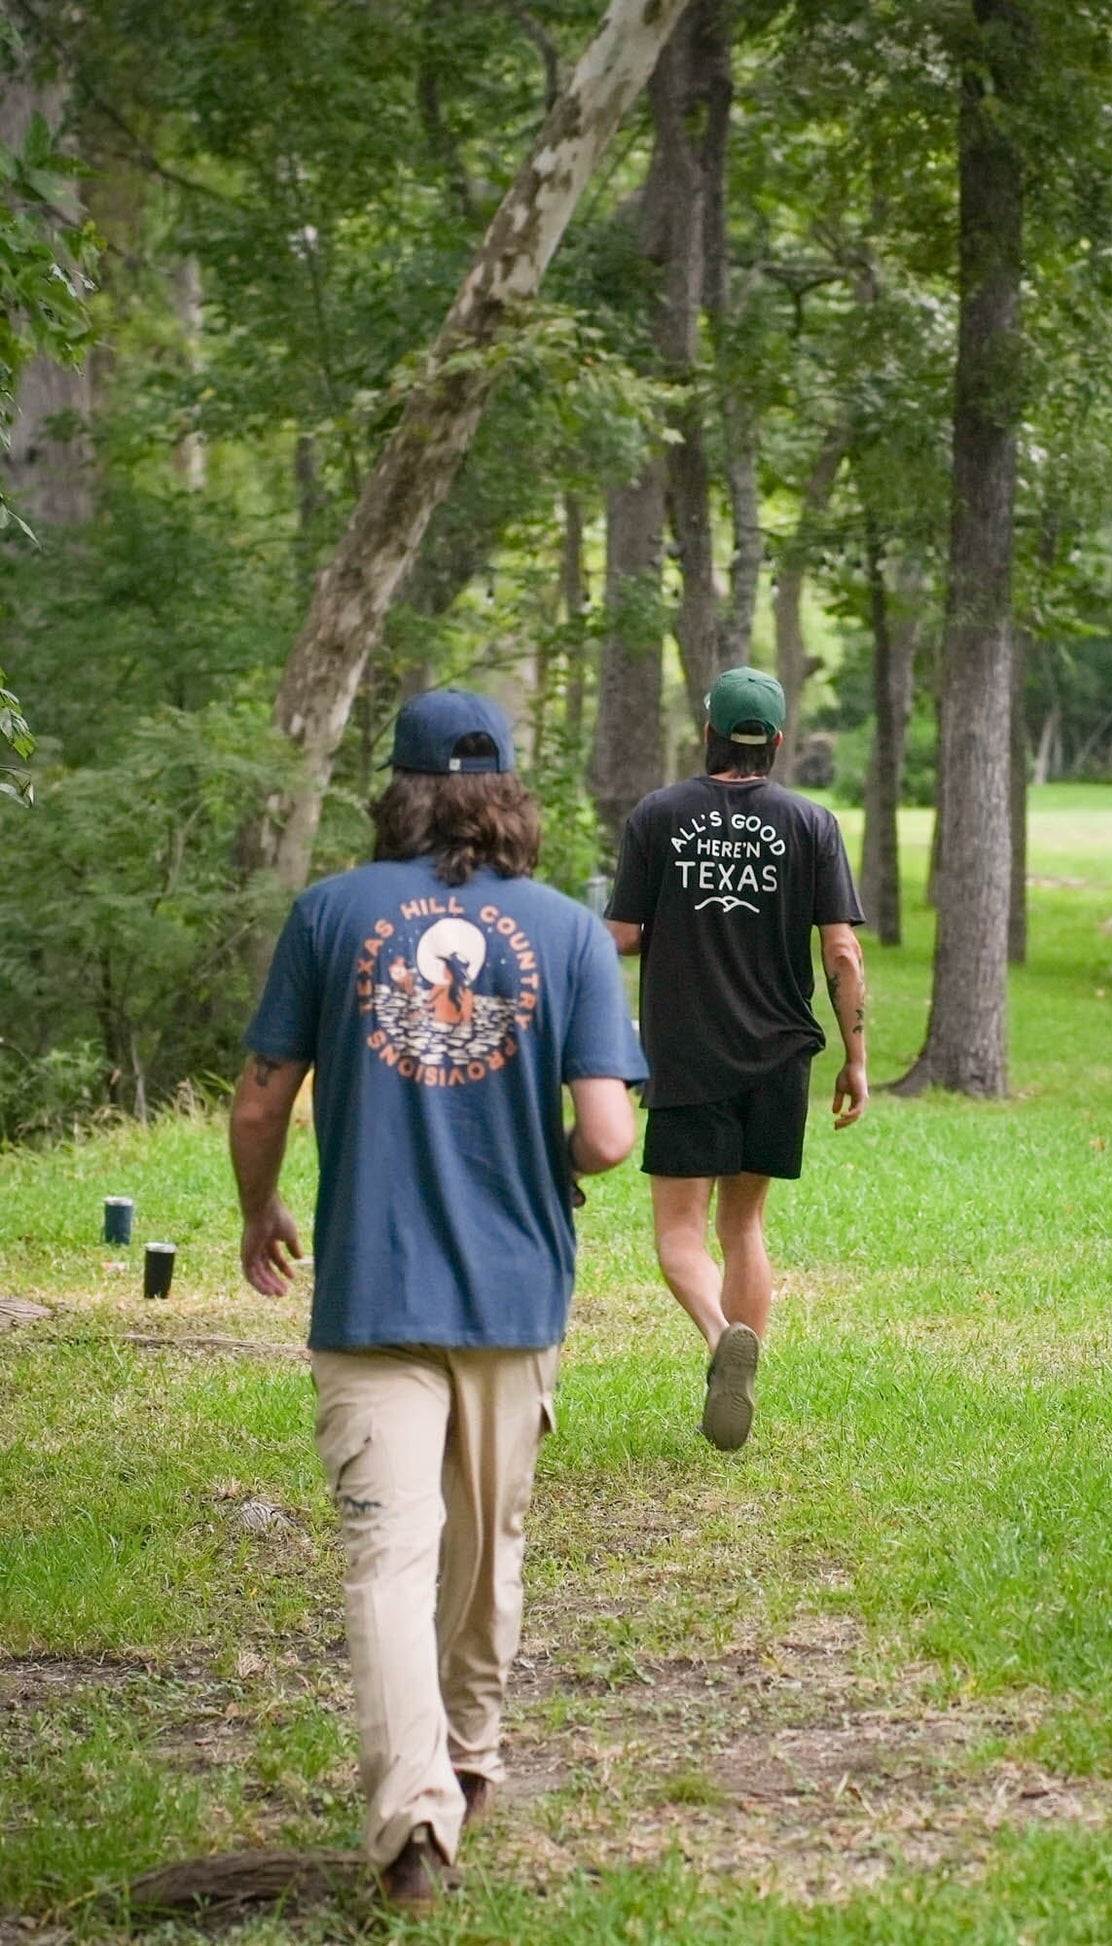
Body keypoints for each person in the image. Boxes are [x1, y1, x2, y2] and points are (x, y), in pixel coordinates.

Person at [228, 691, 647, 1913]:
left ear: (398, 788)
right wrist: (539, 1151)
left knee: (384, 1556)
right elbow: (613, 1136)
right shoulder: (567, 931)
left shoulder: (330, 912)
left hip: (369, 1289)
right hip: (515, 1292)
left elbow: (260, 1101)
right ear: (508, 792)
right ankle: (466, 1759)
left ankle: (412, 1819)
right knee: (483, 1551)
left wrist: (259, 1211)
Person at [606, 665, 868, 1452]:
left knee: (678, 1235)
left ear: (708, 732)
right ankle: (740, 1381)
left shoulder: (658, 816)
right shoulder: (812, 824)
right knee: (744, 1223)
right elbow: (844, 951)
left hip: (686, 1052)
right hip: (781, 1053)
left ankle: (723, 1341)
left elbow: (620, 935)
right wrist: (855, 1057)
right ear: (778, 742)